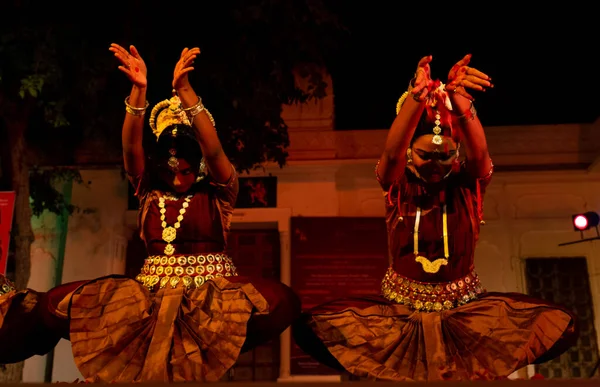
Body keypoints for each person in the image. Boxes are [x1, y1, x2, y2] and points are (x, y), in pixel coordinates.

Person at [0, 44, 301, 382]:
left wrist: (185, 92)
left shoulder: (219, 192)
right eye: (171, 170)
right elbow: (131, 147)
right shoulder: (147, 190)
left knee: (276, 303)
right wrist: (138, 93)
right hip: (150, 293)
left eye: (186, 171)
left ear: (199, 165)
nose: (178, 177)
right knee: (70, 304)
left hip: (211, 293)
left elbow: (214, 148)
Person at [292, 54, 578, 381]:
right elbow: (390, 153)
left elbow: (480, 153)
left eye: (445, 156)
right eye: (425, 155)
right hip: (399, 316)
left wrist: (460, 101)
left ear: (456, 155)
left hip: (465, 314)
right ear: (410, 156)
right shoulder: (397, 187)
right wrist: (416, 99)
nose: (435, 164)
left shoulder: (468, 187)